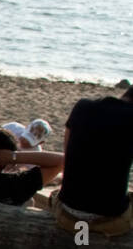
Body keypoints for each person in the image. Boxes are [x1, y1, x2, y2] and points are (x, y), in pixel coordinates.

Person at [49, 85, 133, 235]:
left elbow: (67, 158)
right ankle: (86, 243)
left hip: (68, 214)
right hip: (110, 220)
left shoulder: (82, 106)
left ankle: (82, 241)